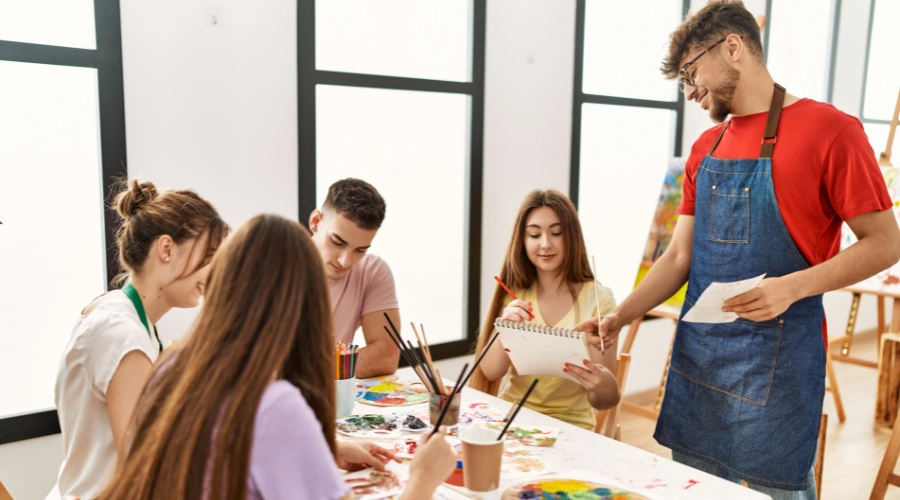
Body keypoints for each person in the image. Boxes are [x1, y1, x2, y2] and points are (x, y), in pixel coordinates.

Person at [575, 1, 900, 497]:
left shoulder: (833, 131)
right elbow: (680, 258)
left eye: (691, 71)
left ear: (733, 47)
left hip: (779, 368)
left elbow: (885, 244)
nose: (689, 91)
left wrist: (792, 288)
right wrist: (620, 316)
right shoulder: (706, 149)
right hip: (700, 362)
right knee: (695, 488)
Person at [100, 214, 456, 500]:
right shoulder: (275, 405)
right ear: (305, 305)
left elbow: (226, 452)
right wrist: (422, 481)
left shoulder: (174, 363)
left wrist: (323, 449)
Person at [48, 179, 228, 500]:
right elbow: (145, 469)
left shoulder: (126, 316)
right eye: (210, 256)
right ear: (167, 248)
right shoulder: (122, 333)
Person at [469, 190, 620, 431]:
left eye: (556, 233)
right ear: (522, 240)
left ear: (572, 236)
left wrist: (603, 386)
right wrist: (505, 328)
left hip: (572, 426)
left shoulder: (599, 300)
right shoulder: (515, 292)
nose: (546, 244)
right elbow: (491, 371)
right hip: (513, 419)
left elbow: (605, 401)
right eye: (534, 234)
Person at [309, 178, 401, 378]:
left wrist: (306, 371)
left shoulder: (371, 270)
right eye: (337, 242)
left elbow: (386, 356)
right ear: (316, 222)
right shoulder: (276, 266)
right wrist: (339, 365)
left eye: (360, 250)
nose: (345, 261)